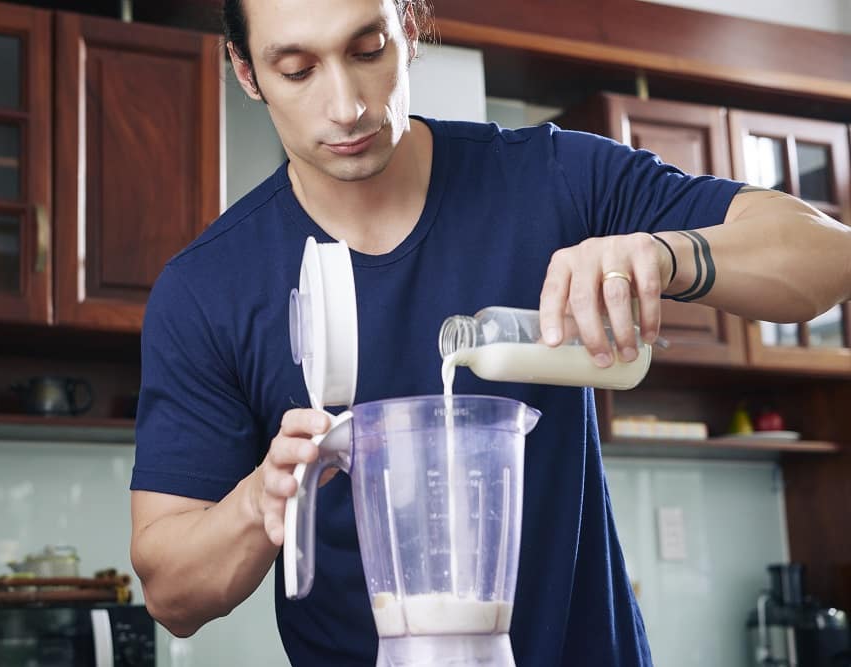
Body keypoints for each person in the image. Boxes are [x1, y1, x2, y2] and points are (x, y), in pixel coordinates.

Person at [128, 0, 851, 664]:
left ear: (409, 28)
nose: (346, 106)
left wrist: (667, 253)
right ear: (247, 72)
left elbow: (826, 254)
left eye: (369, 48)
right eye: (297, 69)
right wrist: (264, 497)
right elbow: (172, 594)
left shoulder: (552, 178)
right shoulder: (207, 292)